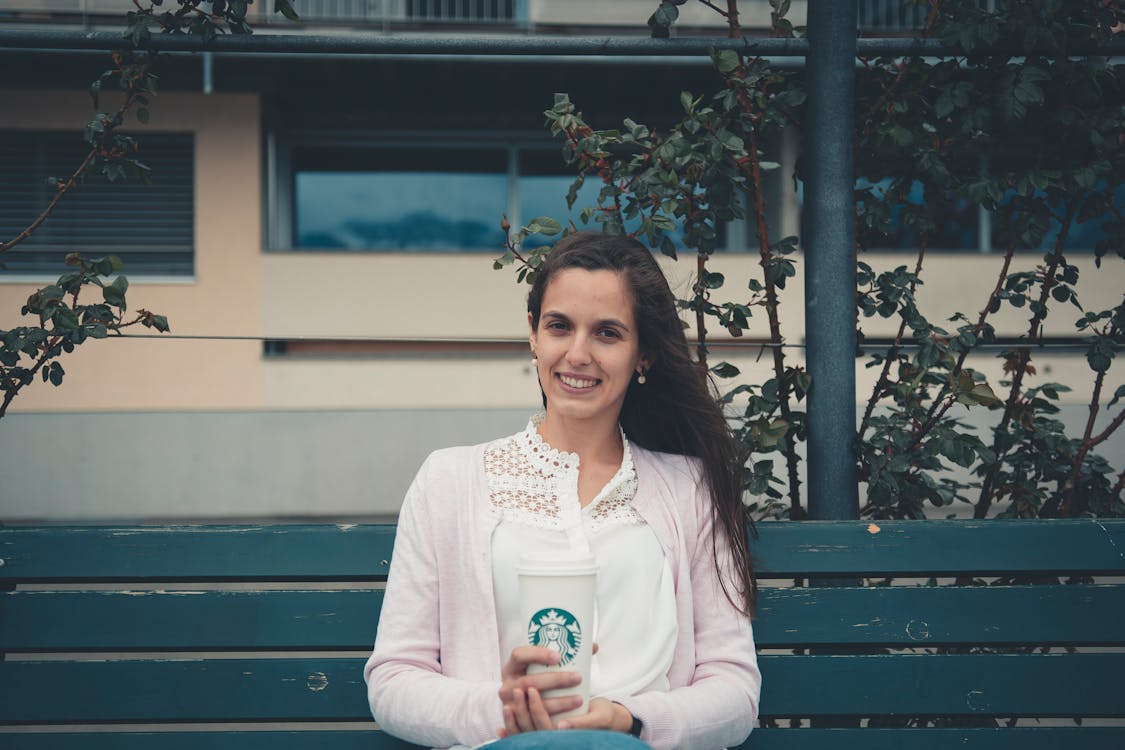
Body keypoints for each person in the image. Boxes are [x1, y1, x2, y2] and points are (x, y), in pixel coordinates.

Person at [364, 231, 761, 750]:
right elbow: (395, 679)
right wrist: (503, 708)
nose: (577, 353)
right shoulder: (449, 481)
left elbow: (734, 691)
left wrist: (628, 719)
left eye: (607, 334)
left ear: (643, 355)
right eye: (559, 327)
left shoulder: (690, 489)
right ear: (533, 335)